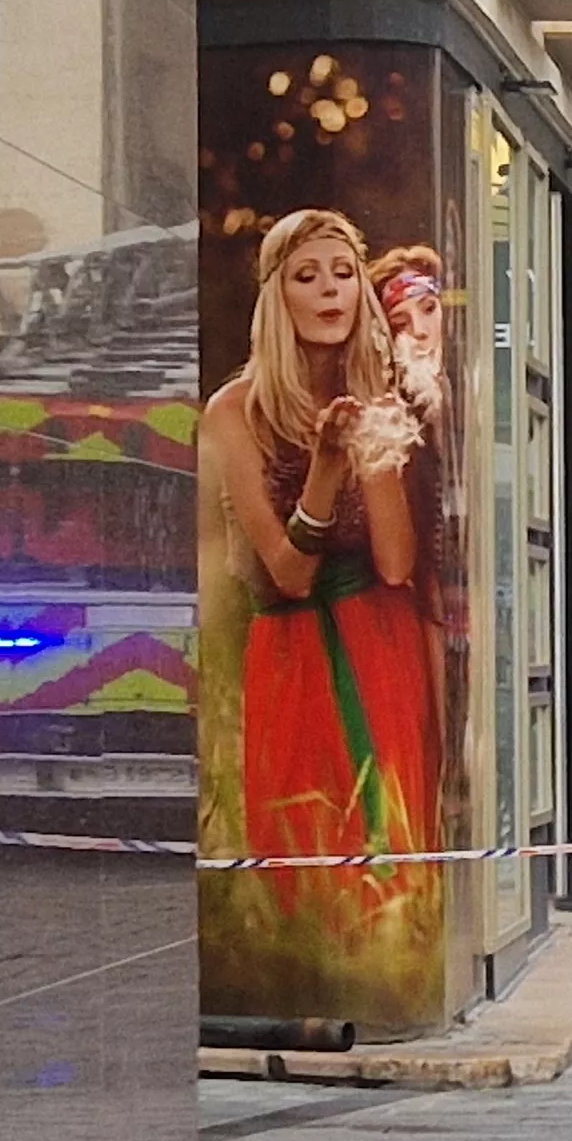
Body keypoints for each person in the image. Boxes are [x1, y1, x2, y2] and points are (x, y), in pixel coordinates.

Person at [200, 210, 437, 907]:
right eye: (308, 277)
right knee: (305, 864)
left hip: (380, 640)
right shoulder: (233, 411)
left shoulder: (381, 396)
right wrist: (327, 464)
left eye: (344, 274)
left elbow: (395, 563)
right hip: (291, 648)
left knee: (396, 855)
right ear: (279, 298)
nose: (331, 291)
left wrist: (373, 437)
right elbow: (288, 573)